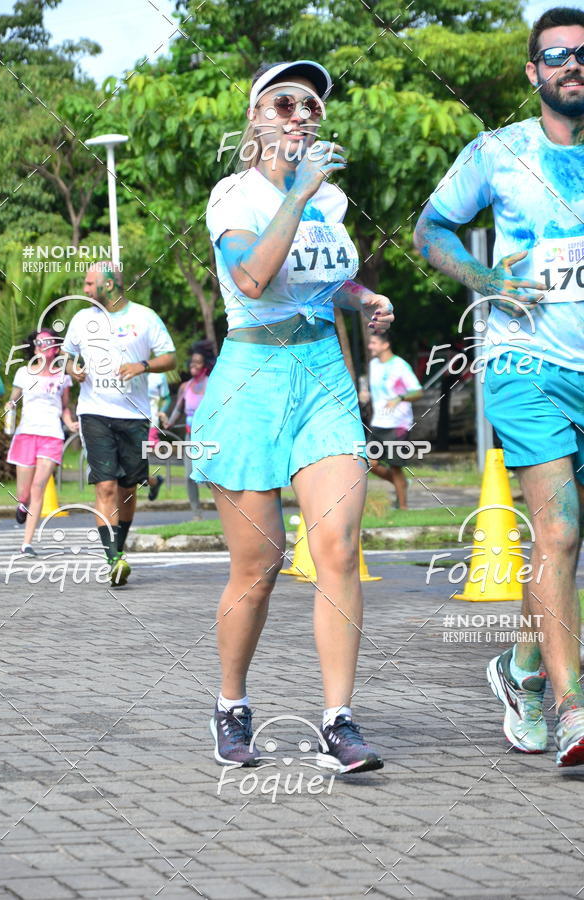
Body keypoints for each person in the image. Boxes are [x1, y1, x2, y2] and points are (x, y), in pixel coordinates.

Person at [192, 59, 394, 772]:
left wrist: (360, 296)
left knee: (337, 547)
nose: (300, 114)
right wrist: (298, 192)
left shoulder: (328, 201)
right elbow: (252, 275)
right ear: (256, 118)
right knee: (260, 563)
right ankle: (230, 704)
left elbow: (320, 274)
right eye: (284, 103)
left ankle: (339, 720)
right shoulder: (234, 195)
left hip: (322, 379)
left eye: (309, 105)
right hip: (251, 383)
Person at [414, 7, 584, 767]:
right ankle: (575, 708)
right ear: (534, 72)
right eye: (558, 56)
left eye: (583, 55)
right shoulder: (498, 152)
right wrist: (486, 280)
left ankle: (520, 673)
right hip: (525, 366)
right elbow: (430, 232)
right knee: (560, 532)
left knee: (564, 545)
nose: (574, 66)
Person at [63, 262, 176, 585]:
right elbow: (66, 355)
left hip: (134, 416)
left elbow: (170, 357)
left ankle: (119, 549)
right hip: (94, 412)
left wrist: (142, 366)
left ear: (109, 284)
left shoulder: (144, 317)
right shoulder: (82, 319)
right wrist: (73, 369)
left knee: (128, 488)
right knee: (106, 485)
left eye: (89, 284)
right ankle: (113, 558)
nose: (84, 290)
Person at [5, 329, 78, 555]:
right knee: (24, 492)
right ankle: (22, 504)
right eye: (38, 342)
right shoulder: (23, 373)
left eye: (46, 342)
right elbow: (13, 398)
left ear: (55, 348)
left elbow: (64, 407)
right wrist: (10, 405)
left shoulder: (62, 377)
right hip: (26, 433)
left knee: (39, 487)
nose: (41, 345)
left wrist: (70, 422)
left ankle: (27, 543)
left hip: (52, 435)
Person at [361, 333, 423, 509]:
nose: (370, 346)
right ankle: (402, 484)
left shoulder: (400, 366)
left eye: (373, 343)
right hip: (378, 422)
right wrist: (366, 395)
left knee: (396, 467)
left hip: (398, 425)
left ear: (385, 345)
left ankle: (403, 508)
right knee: (369, 463)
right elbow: (378, 390)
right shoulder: (373, 365)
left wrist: (400, 398)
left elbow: (418, 392)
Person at [160, 341, 215, 518]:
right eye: (192, 362)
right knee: (189, 475)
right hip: (189, 436)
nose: (193, 365)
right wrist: (169, 423)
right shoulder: (186, 387)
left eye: (197, 362)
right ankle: (196, 513)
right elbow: (178, 408)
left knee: (209, 474)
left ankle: (226, 509)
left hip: (207, 435)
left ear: (205, 365)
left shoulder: (211, 385)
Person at [147, 371, 171, 501]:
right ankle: (154, 482)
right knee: (130, 465)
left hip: (150, 423)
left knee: (133, 464)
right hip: (128, 419)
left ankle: (154, 482)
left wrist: (162, 411)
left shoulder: (159, 376)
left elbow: (167, 398)